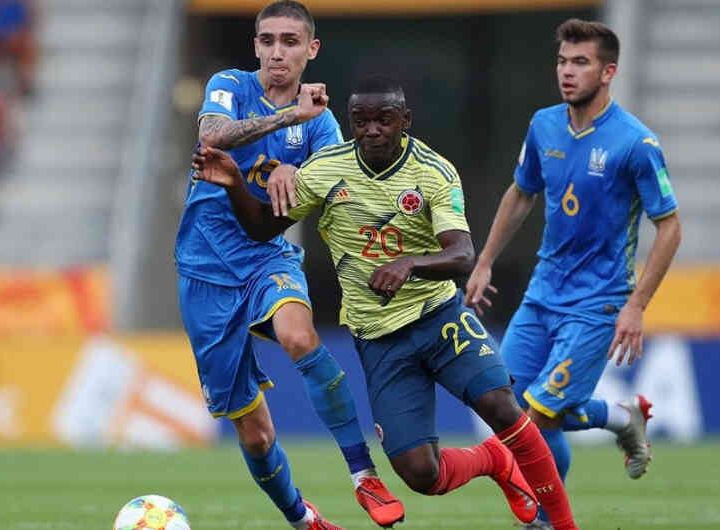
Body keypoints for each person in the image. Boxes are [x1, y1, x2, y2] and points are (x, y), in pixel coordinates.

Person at [193, 76, 583, 530]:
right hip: (380, 342)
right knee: (422, 474)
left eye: (384, 120)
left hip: (439, 320)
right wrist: (236, 183)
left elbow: (461, 255)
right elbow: (262, 229)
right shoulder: (325, 169)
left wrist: (409, 264)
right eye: (361, 121)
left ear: (405, 121)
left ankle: (563, 525)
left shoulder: (433, 171)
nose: (372, 129)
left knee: (503, 407)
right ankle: (493, 461)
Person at [173, 2, 402, 529]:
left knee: (300, 336)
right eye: (269, 40)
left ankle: (362, 472)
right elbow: (213, 135)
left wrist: (289, 170)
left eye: (291, 41)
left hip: (266, 258)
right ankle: (303, 519)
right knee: (256, 435)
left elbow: (308, 191)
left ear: (311, 49)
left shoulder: (321, 127)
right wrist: (285, 122)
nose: (278, 51)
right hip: (204, 272)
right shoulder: (229, 84)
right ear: (256, 46)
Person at [464, 18, 682, 529]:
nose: (566, 71)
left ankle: (541, 519)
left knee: (536, 420)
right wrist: (486, 260)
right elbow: (522, 192)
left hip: (597, 302)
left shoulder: (636, 143)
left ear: (608, 71)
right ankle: (619, 417)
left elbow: (670, 228)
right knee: (507, 408)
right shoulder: (544, 125)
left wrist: (636, 306)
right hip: (543, 293)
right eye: (562, 61)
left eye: (580, 62)